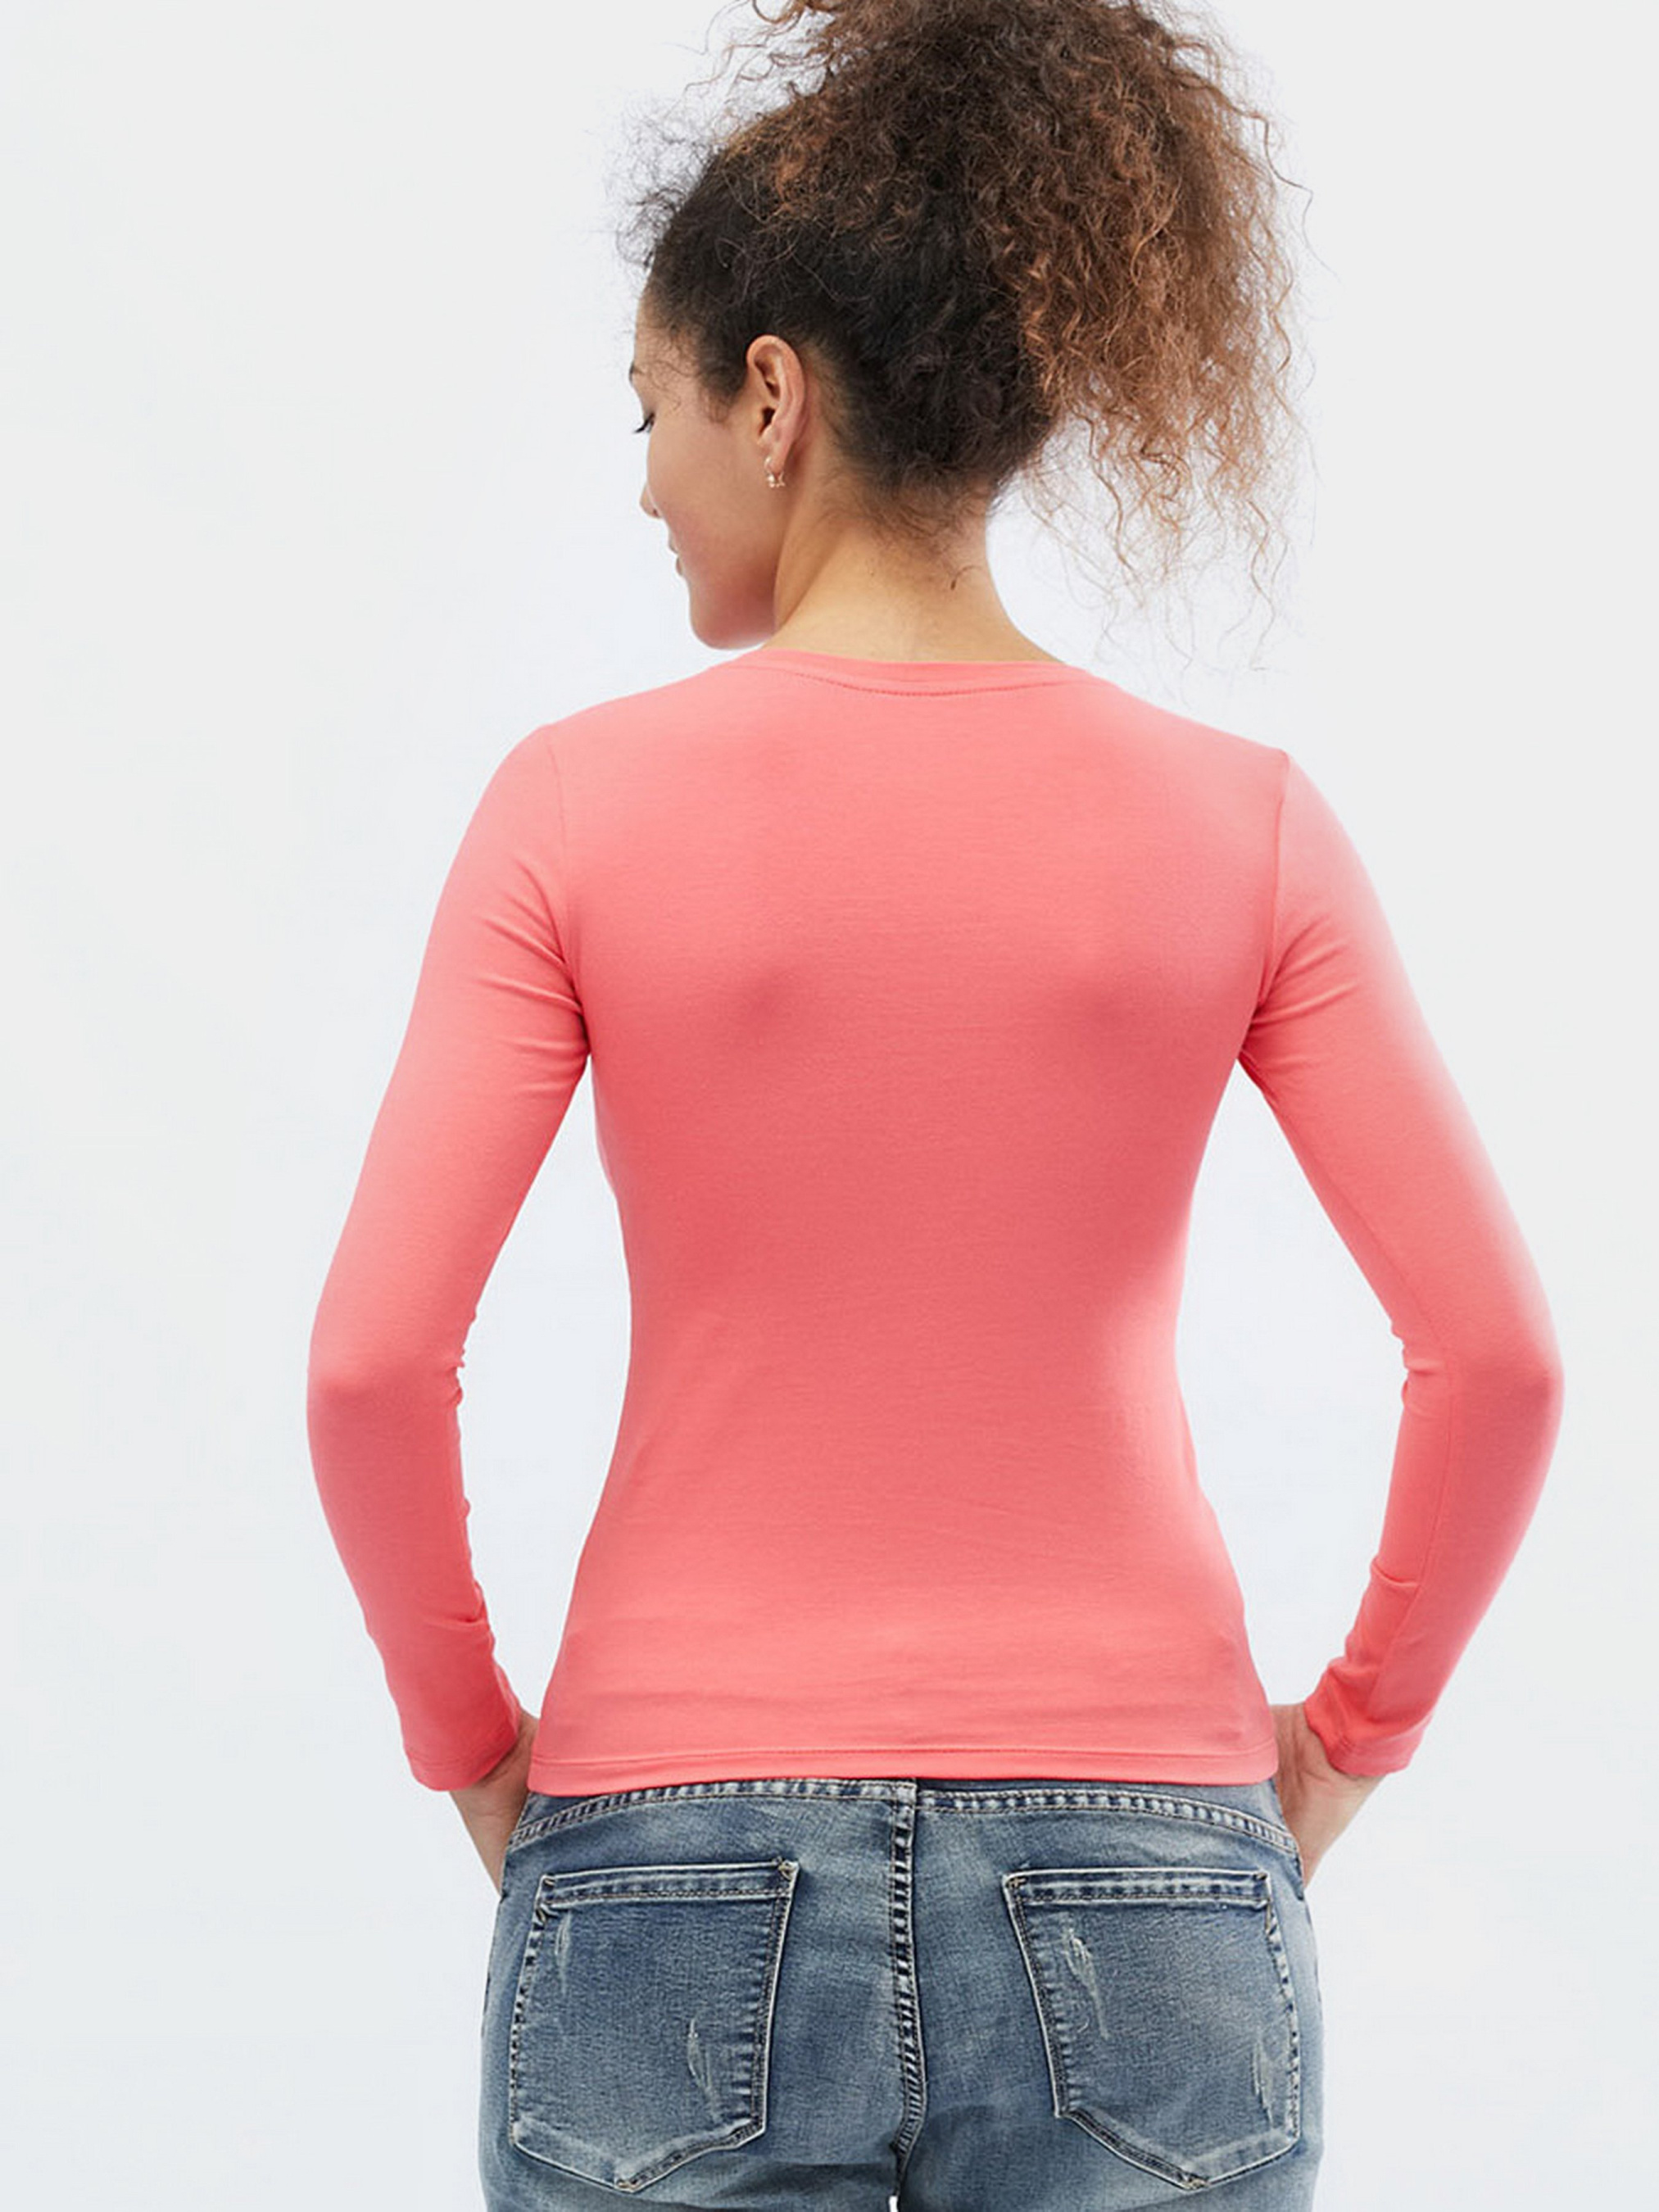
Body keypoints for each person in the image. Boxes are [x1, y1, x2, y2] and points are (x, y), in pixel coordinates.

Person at [305, 4, 1566, 2205]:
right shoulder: (1244, 823)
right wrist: (1344, 1744)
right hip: (1150, 1856)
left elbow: (368, 1367)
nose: (642, 478)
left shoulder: (572, 808)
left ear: (770, 396)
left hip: (665, 1851)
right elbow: (1502, 1357)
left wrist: (477, 1752)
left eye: (651, 410)